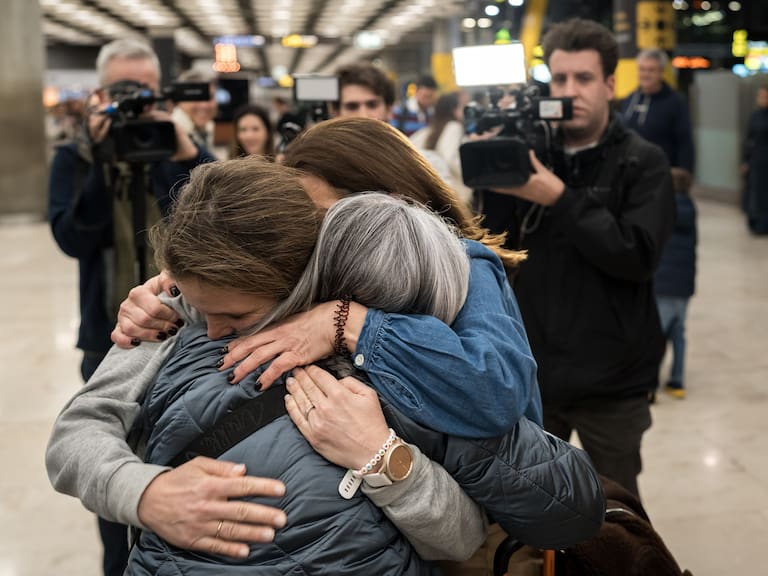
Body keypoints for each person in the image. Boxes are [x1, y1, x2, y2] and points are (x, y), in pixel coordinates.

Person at [48, 118, 604, 566]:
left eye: (317, 218)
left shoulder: (447, 280)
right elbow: (80, 429)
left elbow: (502, 435)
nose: (303, 235)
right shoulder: (192, 300)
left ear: (380, 208)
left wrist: (380, 443)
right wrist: (146, 494)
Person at [476, 18, 675, 499]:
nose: (570, 92)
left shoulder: (642, 162)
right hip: (535, 375)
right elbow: (494, 248)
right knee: (534, 510)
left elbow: (637, 255)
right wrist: (496, 165)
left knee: (616, 510)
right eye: (559, 79)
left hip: (615, 382)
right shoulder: (530, 155)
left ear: (610, 84)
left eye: (584, 79)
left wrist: (559, 198)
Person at [47, 38, 213, 576]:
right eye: (124, 92)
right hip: (108, 337)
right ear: (99, 94)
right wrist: (100, 161)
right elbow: (73, 237)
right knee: (112, 474)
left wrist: (183, 153)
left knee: (175, 459)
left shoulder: (175, 143)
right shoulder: (74, 156)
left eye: (144, 92)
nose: (136, 104)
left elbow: (214, 219)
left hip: (185, 333)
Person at [620, 48, 695, 185]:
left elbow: (684, 141)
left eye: (651, 70)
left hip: (662, 177)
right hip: (629, 176)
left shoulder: (675, 102)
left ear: (661, 72)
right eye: (642, 69)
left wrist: (684, 173)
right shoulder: (629, 99)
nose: (645, 74)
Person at [653, 184, 697, 400]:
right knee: (678, 334)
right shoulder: (691, 211)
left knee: (656, 336)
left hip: (663, 286)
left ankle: (649, 386)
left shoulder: (662, 211)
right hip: (684, 289)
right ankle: (677, 381)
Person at [410, 91, 472, 205]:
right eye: (462, 107)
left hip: (431, 192)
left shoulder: (429, 129)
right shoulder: (454, 126)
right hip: (453, 195)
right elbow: (451, 158)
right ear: (454, 109)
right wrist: (473, 172)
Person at [171, 69, 219, 153]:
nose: (204, 105)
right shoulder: (171, 134)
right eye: (197, 97)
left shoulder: (208, 128)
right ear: (179, 101)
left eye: (210, 97)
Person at [742, 85, 768, 234]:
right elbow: (749, 139)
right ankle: (754, 221)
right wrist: (746, 160)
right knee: (754, 193)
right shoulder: (755, 116)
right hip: (756, 160)